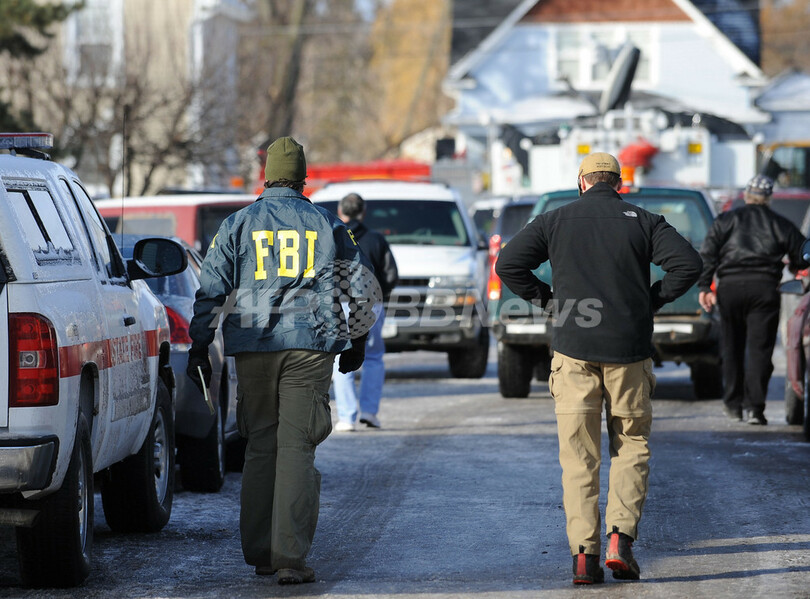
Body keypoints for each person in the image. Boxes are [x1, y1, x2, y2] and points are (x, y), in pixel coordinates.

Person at [495, 152, 702, 585]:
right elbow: (688, 265)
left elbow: (508, 264)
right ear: (618, 184)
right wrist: (653, 299)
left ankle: (584, 558)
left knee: (579, 459)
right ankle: (619, 540)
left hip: (573, 350)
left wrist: (549, 301)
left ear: (582, 182)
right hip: (628, 350)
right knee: (630, 447)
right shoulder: (644, 220)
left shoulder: (556, 219)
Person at [186, 136, 377, 585]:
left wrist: (200, 343)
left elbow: (211, 288)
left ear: (266, 174)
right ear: (304, 177)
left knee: (260, 447)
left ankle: (261, 553)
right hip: (311, 346)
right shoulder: (329, 224)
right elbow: (360, 283)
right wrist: (357, 341)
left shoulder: (237, 224)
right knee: (296, 448)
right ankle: (291, 558)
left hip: (253, 346)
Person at [698, 174, 808, 425]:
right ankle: (755, 409)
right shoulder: (780, 224)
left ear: (747, 195)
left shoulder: (726, 220)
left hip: (730, 289)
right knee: (760, 351)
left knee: (731, 347)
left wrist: (705, 286)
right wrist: (792, 266)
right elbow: (802, 256)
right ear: (768, 198)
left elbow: (707, 254)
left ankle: (733, 404)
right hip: (764, 290)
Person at [332, 193, 398, 431]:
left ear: (341, 211)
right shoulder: (376, 239)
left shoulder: (334, 237)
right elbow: (391, 274)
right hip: (372, 304)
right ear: (363, 211)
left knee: (341, 358)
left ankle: (346, 418)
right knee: (373, 358)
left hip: (340, 305)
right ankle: (369, 412)